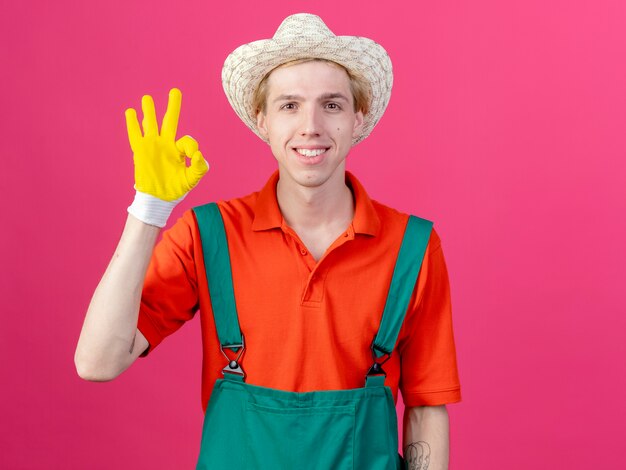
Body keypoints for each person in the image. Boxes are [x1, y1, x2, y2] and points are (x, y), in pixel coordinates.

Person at [75, 13, 461, 469]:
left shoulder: (412, 247)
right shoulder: (209, 235)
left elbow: (426, 405)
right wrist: (149, 209)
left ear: (359, 118)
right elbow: (97, 362)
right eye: (289, 105)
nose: (311, 126)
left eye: (332, 105)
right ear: (262, 120)